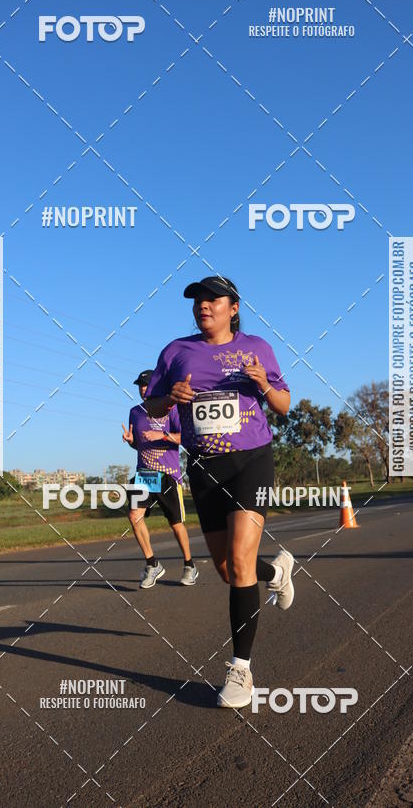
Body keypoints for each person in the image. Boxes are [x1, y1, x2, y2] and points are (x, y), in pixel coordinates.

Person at [144, 276, 292, 709]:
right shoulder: (175, 351)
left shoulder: (257, 347)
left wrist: (263, 382)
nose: (203, 306)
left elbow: (283, 405)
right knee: (229, 570)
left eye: (213, 299)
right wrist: (170, 398)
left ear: (234, 307)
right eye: (197, 300)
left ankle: (241, 671)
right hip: (204, 468)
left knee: (242, 560)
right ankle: (278, 573)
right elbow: (150, 408)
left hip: (252, 461)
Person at [122, 370, 198, 588]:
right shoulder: (135, 412)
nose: (142, 388)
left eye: (146, 384)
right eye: (140, 385)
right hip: (145, 474)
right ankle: (152, 563)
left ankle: (190, 565)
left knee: (176, 524)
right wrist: (130, 441)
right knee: (134, 515)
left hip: (167, 474)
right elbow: (139, 443)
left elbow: (186, 438)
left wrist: (163, 435)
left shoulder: (171, 409)